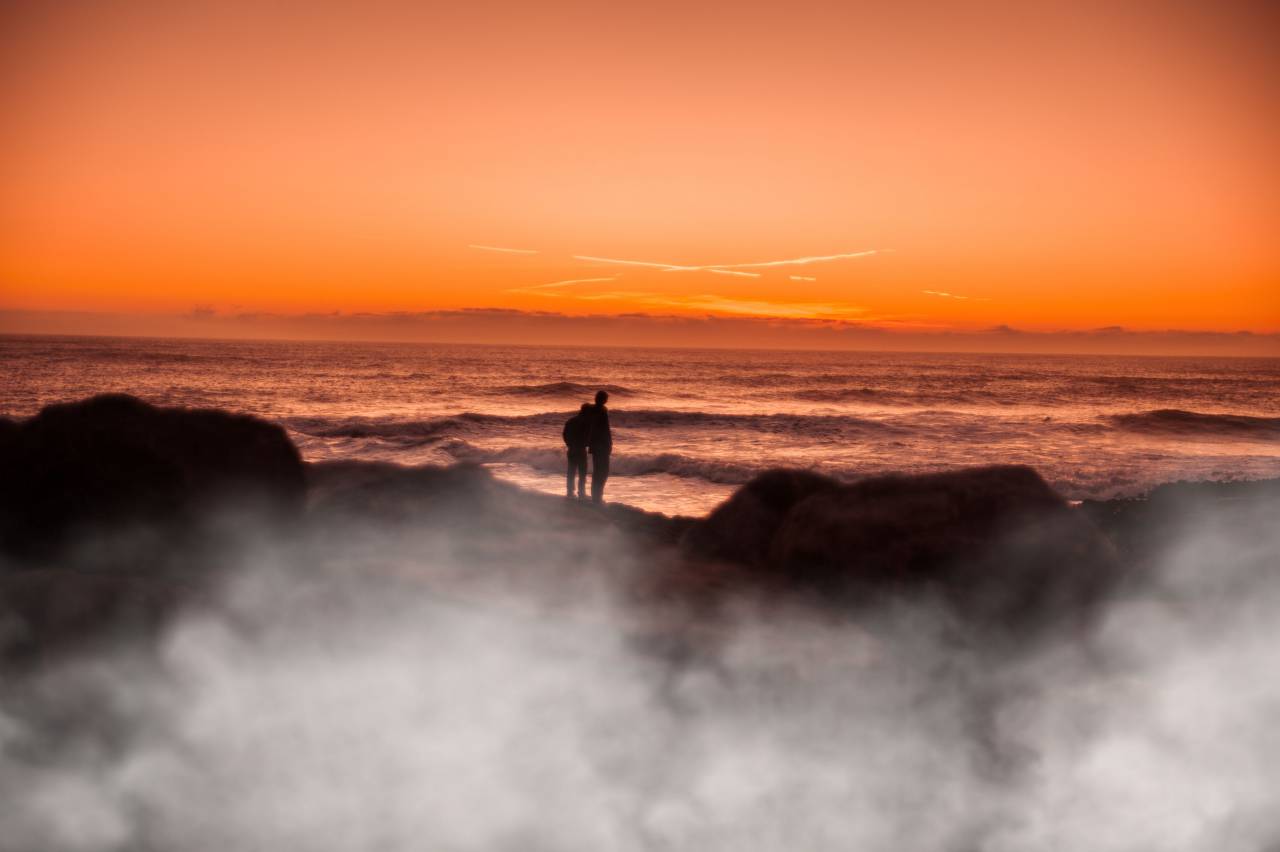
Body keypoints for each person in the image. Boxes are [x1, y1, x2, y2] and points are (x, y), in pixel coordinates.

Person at [587, 389, 612, 503]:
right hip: (601, 444)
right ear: (603, 399)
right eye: (605, 398)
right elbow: (603, 429)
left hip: (597, 444)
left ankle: (596, 495)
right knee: (603, 471)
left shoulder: (594, 410)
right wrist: (608, 443)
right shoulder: (600, 410)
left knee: (599, 471)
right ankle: (597, 496)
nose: (606, 400)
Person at [562, 402, 592, 499]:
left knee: (571, 471)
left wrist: (568, 443)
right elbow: (588, 436)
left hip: (571, 449)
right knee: (582, 472)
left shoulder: (571, 420)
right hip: (580, 449)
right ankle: (581, 492)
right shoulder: (586, 422)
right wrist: (587, 444)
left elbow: (564, 434)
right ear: (586, 411)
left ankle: (570, 492)